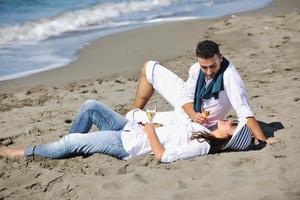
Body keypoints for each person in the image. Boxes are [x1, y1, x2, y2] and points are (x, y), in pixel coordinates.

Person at [0, 100, 255, 163]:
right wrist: (153, 126)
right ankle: (69, 145)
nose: (228, 120)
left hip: (127, 144)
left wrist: (151, 131)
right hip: (131, 130)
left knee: (73, 141)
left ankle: (18, 153)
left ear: (231, 137)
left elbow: (163, 156)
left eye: (233, 124)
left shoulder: (203, 146)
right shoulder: (205, 131)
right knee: (90, 107)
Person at [129, 40, 275, 144]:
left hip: (194, 124)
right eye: (204, 67)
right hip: (189, 111)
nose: (209, 71)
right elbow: (185, 98)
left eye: (213, 66)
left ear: (220, 57)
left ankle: (132, 117)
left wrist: (263, 140)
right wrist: (193, 113)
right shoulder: (195, 69)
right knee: (149, 67)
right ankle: (135, 110)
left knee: (132, 117)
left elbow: (244, 111)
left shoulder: (230, 76)